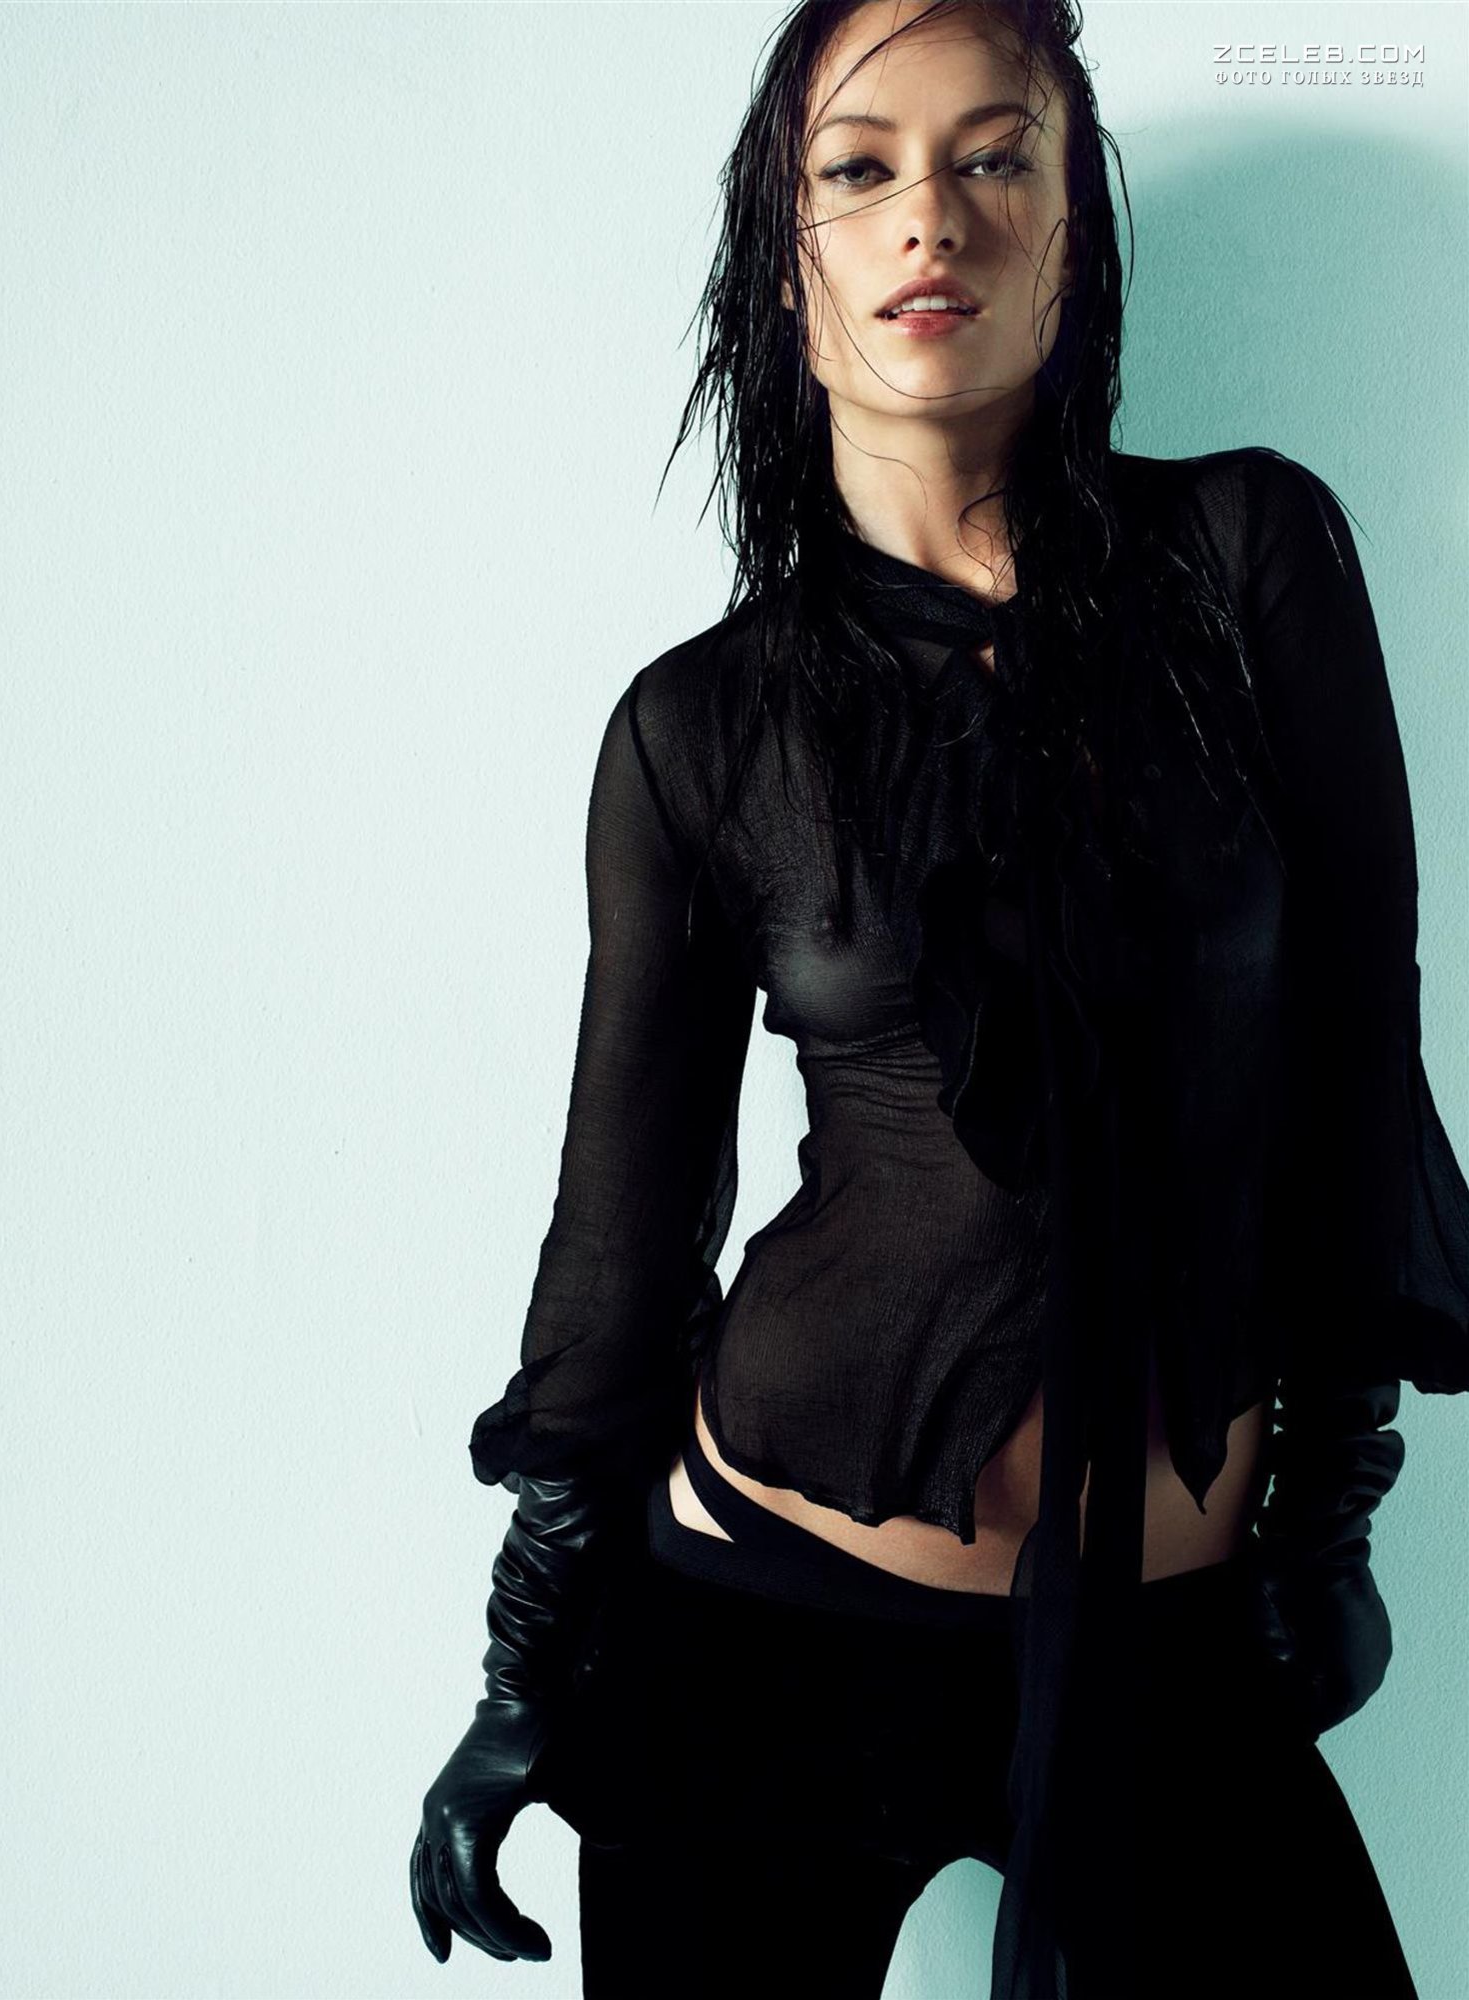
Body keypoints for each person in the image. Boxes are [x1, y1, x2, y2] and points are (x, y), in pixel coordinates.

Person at [410, 2, 1469, 1994]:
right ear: (784, 257)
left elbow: (1357, 1058)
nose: (932, 215)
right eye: (861, 166)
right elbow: (623, 1237)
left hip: (1167, 1630)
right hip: (766, 1618)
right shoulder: (697, 729)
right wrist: (525, 1667)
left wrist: (1330, 1513)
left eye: (996, 156)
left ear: (1072, 231)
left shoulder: (1247, 562)